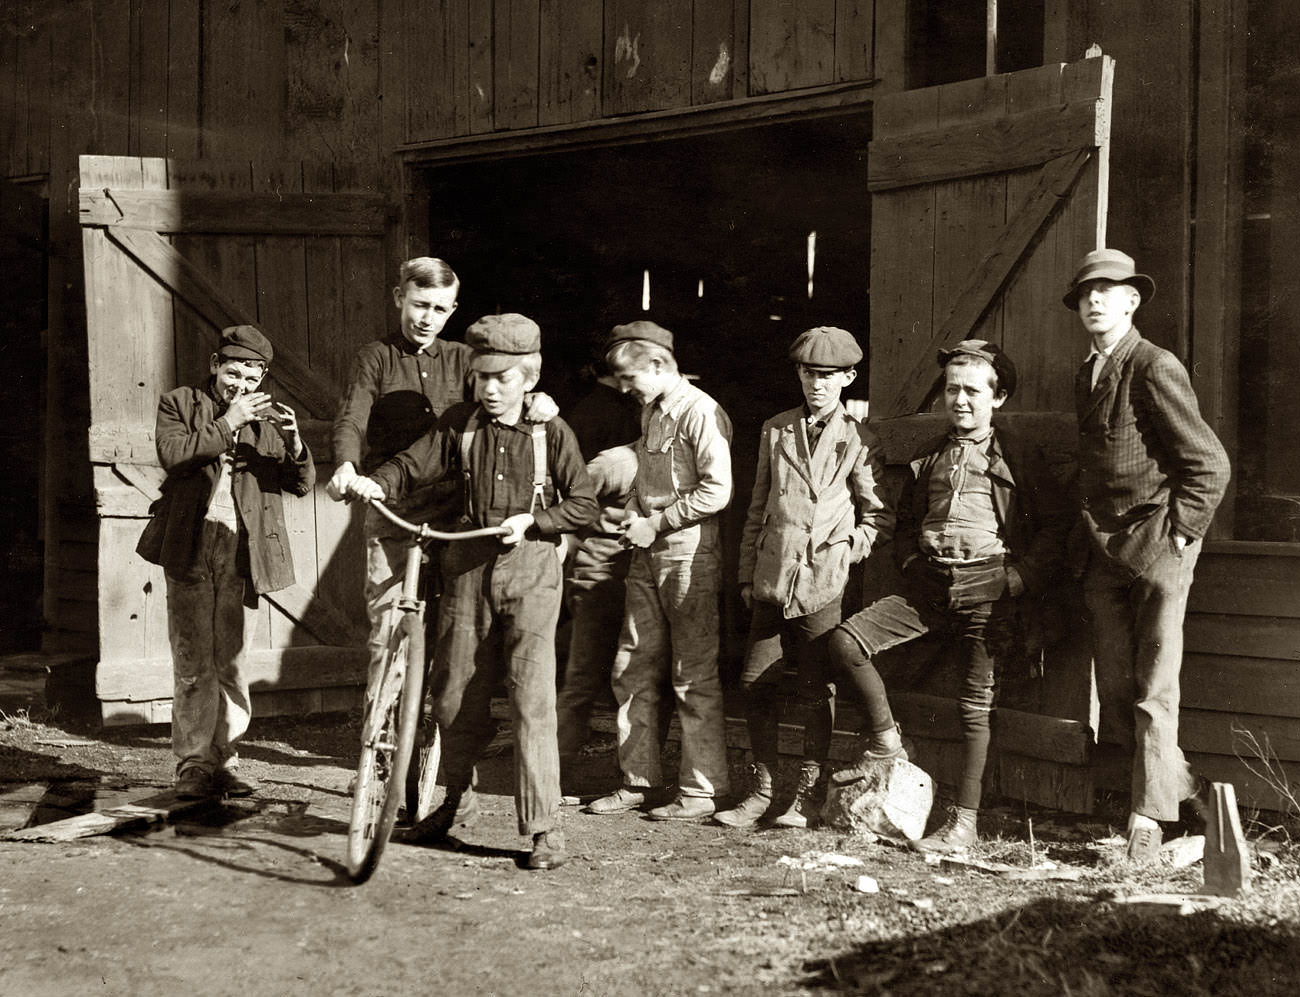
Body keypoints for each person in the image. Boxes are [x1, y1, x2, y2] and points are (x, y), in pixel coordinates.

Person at [340, 313, 597, 871]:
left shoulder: (551, 431)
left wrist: (538, 522)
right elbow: (412, 466)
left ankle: (543, 830)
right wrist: (372, 481)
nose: (491, 388)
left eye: (503, 378)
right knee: (454, 695)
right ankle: (456, 804)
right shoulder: (460, 423)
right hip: (466, 570)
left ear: (529, 376)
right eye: (482, 377)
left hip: (529, 571)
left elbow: (584, 503)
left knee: (531, 699)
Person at [827, 340, 1069, 853]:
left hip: (989, 589)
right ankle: (888, 742)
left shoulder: (1020, 455)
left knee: (974, 707)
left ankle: (964, 823)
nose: (959, 399)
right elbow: (908, 524)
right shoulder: (929, 456)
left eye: (972, 391)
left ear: (997, 398)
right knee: (846, 644)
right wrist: (915, 565)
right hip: (929, 590)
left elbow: (1055, 529)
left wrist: (1017, 580)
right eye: (952, 388)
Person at [329, 258, 555, 712]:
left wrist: (538, 400)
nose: (427, 317)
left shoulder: (463, 358)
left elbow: (501, 395)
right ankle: (383, 736)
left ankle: (447, 729)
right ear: (399, 299)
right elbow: (353, 415)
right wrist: (347, 468)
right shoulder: (376, 357)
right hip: (395, 507)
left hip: (456, 511)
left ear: (452, 311)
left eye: (439, 308)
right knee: (389, 626)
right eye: (419, 305)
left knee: (459, 624)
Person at [1064, 248, 1230, 864]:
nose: (1095, 301)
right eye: (1085, 294)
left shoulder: (1154, 366)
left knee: (1154, 686)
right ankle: (1182, 798)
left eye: (1107, 291)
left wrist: (1182, 533)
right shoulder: (1086, 372)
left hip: (1158, 542)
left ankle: (1147, 818)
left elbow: (1209, 464)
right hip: (1105, 550)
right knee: (1114, 681)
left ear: (1132, 300)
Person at [714, 327, 894, 830]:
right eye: (810, 374)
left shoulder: (859, 439)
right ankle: (763, 790)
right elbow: (757, 506)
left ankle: (806, 796)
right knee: (754, 682)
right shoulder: (777, 429)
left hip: (821, 582)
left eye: (829, 376)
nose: (818, 385)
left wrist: (844, 551)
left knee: (815, 688)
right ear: (798, 374)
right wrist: (749, 573)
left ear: (848, 378)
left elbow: (877, 516)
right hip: (773, 576)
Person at [137, 324, 316, 799]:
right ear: (215, 365)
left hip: (244, 550)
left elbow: (299, 483)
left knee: (232, 662)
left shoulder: (268, 418)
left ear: (262, 379)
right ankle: (194, 764)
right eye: (232, 373)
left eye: (250, 380)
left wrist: (295, 443)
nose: (240, 386)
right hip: (191, 543)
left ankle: (227, 760)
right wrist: (230, 421)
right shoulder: (179, 402)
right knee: (193, 660)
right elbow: (174, 455)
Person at [586, 321, 734, 821]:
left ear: (657, 365)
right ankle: (638, 781)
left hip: (689, 556)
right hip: (648, 552)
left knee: (692, 673)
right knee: (633, 665)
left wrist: (659, 522)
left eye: (630, 378)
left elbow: (718, 491)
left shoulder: (701, 412)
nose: (625, 389)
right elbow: (648, 479)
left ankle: (700, 791)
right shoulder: (652, 410)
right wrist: (632, 512)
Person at [555, 443, 638, 786]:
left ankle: (627, 779)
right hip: (599, 583)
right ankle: (554, 775)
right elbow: (567, 503)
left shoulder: (679, 463)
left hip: (644, 584)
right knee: (582, 681)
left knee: (634, 681)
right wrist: (571, 545)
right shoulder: (617, 462)